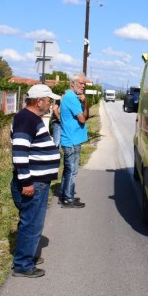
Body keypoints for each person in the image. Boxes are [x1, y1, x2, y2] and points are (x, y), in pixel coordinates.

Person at [10, 84, 61, 277]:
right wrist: (27, 182)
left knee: (30, 222)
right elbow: (20, 153)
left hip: (37, 181)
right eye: (49, 101)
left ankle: (27, 254)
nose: (50, 105)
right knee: (32, 223)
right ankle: (23, 265)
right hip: (33, 182)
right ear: (39, 101)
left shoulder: (30, 118)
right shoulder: (26, 120)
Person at [58, 73, 89, 208]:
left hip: (71, 139)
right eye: (81, 83)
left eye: (84, 84)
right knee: (72, 170)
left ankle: (64, 195)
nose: (83, 86)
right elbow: (83, 118)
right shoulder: (71, 98)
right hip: (71, 140)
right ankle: (68, 198)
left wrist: (84, 102)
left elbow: (84, 117)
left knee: (68, 170)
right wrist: (85, 103)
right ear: (73, 83)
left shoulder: (71, 97)